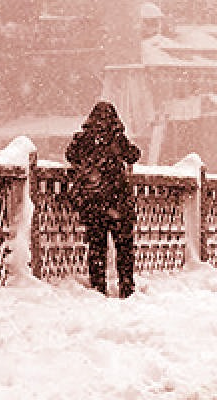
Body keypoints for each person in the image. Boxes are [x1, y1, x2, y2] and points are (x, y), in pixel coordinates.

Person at [64, 100, 142, 297]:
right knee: (124, 248)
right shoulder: (117, 139)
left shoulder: (84, 139)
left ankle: (98, 288)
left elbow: (70, 154)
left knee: (97, 248)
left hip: (94, 204)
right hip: (118, 202)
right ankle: (126, 287)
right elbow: (134, 155)